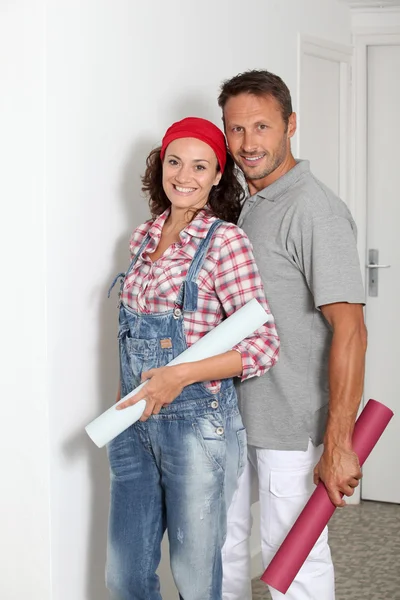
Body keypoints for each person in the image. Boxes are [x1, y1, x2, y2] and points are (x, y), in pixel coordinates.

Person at [105, 117, 280, 600]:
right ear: (161, 164)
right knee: (125, 578)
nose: (184, 175)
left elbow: (262, 344)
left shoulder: (225, 242)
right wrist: (125, 397)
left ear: (218, 175)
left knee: (195, 579)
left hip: (196, 428)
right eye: (175, 162)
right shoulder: (142, 237)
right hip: (134, 424)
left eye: (200, 166)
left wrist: (178, 375)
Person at [217, 71, 367, 600]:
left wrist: (339, 439)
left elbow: (350, 329)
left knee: (295, 562)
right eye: (236, 130)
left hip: (292, 424)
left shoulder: (315, 211)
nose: (249, 143)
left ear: (291, 126)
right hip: (233, 416)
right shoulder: (248, 205)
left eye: (262, 126)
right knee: (223, 549)